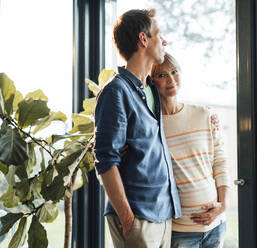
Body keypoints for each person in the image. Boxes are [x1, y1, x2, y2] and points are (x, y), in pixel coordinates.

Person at [94, 9, 181, 248]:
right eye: (159, 34)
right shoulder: (116, 92)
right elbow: (105, 159)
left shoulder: (151, 88)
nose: (164, 41)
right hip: (137, 216)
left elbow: (176, 103)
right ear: (143, 39)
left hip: (163, 213)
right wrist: (126, 217)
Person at [151, 53, 230, 248]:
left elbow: (220, 162)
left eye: (174, 72)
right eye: (162, 75)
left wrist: (223, 205)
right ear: (151, 81)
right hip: (180, 231)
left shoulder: (204, 114)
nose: (171, 79)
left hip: (216, 225)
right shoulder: (151, 126)